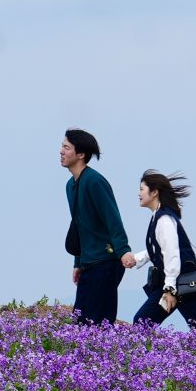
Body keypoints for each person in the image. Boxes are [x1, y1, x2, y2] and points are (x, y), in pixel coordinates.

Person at [122, 170, 196, 331]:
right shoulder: (158, 216)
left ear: (154, 192)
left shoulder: (164, 220)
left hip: (180, 284)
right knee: (143, 323)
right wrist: (137, 258)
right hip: (175, 282)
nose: (138, 194)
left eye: (142, 189)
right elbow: (159, 249)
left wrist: (170, 290)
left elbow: (172, 255)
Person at [58, 128, 130, 324]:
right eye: (62, 146)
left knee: (98, 323)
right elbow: (79, 228)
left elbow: (112, 218)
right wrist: (78, 262)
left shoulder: (94, 181)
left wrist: (123, 251)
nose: (61, 151)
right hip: (89, 263)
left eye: (66, 147)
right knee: (80, 321)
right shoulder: (70, 185)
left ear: (81, 154)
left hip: (106, 261)